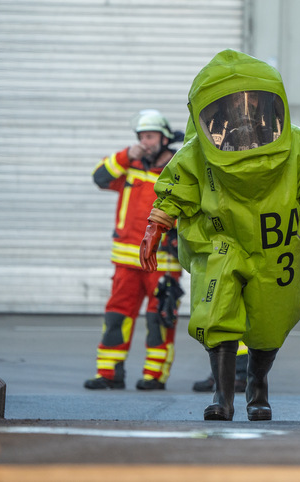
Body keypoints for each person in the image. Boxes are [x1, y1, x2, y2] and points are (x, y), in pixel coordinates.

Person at [139, 49, 300, 421]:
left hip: (274, 246)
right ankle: (223, 395)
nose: (243, 115)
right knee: (218, 313)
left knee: (271, 321)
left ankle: (258, 386)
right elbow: (177, 186)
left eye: (251, 105)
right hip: (221, 243)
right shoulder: (197, 153)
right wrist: (156, 224)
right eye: (231, 107)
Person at [84, 109, 186, 391]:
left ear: (165, 139)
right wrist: (125, 154)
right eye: (141, 137)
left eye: (150, 136)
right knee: (117, 316)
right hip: (125, 263)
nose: (145, 142)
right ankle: (109, 373)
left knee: (159, 320)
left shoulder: (178, 170)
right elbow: (99, 177)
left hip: (162, 262)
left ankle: (155, 375)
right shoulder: (129, 166)